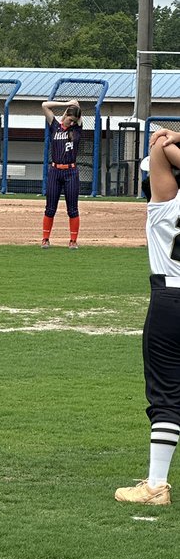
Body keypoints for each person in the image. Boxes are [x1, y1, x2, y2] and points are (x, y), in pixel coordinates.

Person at [115, 127, 180, 506]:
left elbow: (157, 146)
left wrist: (167, 141)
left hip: (170, 299)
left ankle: (156, 485)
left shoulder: (163, 205)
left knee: (167, 395)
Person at [41, 100, 82, 248]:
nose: (72, 123)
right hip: (55, 171)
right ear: (66, 116)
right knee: (50, 208)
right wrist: (66, 104)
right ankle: (45, 239)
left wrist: (75, 107)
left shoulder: (76, 129)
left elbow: (78, 109)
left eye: (74, 121)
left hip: (71, 172)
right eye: (70, 120)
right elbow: (44, 105)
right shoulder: (55, 126)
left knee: (72, 209)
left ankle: (73, 241)